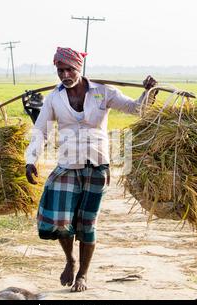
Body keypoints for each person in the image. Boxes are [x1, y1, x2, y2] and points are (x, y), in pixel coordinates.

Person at [25, 47, 157, 292]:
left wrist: (149, 92)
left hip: (97, 165)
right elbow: (41, 130)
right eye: (60, 70)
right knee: (61, 220)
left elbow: (136, 108)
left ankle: (83, 275)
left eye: (69, 69)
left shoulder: (102, 92)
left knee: (87, 223)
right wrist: (31, 159)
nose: (65, 74)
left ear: (80, 68)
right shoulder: (54, 98)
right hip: (68, 164)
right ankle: (70, 259)